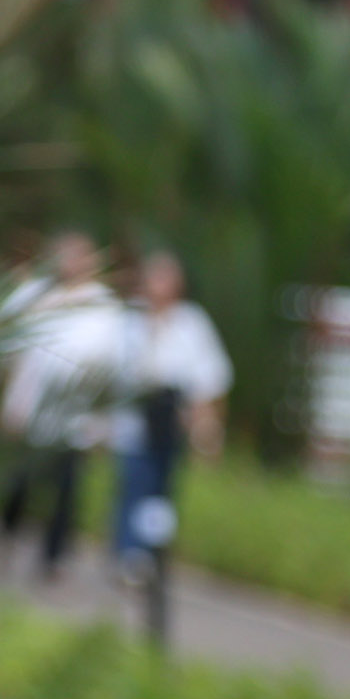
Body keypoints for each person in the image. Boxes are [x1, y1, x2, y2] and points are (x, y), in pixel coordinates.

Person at [0, 239, 125, 583]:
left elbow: (110, 369)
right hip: (30, 410)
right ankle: (5, 538)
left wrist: (102, 423)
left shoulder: (104, 307)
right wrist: (10, 403)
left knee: (67, 488)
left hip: (75, 418)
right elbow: (8, 352)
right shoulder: (34, 295)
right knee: (20, 482)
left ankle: (53, 559)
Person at [108, 250, 232, 584]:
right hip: (134, 418)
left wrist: (206, 425)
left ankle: (153, 551)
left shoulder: (191, 322)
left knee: (161, 490)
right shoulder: (130, 320)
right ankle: (128, 552)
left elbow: (209, 377)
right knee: (133, 484)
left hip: (171, 420)